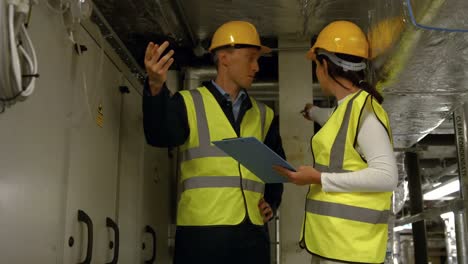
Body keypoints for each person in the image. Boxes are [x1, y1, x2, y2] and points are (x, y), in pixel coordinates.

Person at [142, 20, 285, 264]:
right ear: (224, 58)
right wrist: (156, 86)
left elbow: (276, 170)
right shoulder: (187, 102)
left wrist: (271, 201)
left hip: (252, 237)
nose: (256, 67)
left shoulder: (264, 115)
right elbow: (158, 135)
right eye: (251, 58)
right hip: (202, 236)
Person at [274, 21, 398, 264]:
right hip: (335, 244)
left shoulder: (365, 112)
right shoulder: (347, 109)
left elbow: (387, 176)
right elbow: (335, 122)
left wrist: (318, 178)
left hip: (351, 248)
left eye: (316, 64)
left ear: (324, 65)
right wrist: (314, 113)